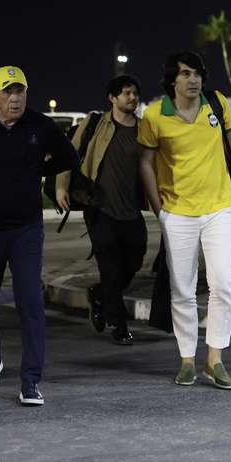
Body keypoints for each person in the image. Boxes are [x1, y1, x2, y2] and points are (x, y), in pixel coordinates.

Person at [0, 65, 78, 406]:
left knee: (30, 302)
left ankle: (31, 380)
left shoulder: (40, 125)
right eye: (7, 91)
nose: (15, 98)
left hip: (25, 229)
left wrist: (39, 168)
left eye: (19, 91)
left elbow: (70, 156)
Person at [138, 51, 231, 390]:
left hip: (219, 207)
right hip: (177, 213)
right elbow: (145, 162)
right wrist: (158, 206)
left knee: (223, 284)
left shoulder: (216, 103)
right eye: (186, 74)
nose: (194, 80)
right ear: (172, 80)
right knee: (182, 290)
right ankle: (187, 360)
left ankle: (215, 360)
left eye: (198, 73)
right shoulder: (154, 115)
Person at [55, 75, 147, 345]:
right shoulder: (96, 123)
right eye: (127, 93)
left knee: (135, 260)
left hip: (130, 211)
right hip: (99, 208)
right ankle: (119, 326)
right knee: (110, 266)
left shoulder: (143, 129)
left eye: (135, 93)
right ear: (112, 98)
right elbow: (69, 154)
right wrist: (61, 187)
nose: (132, 98)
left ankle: (98, 295)